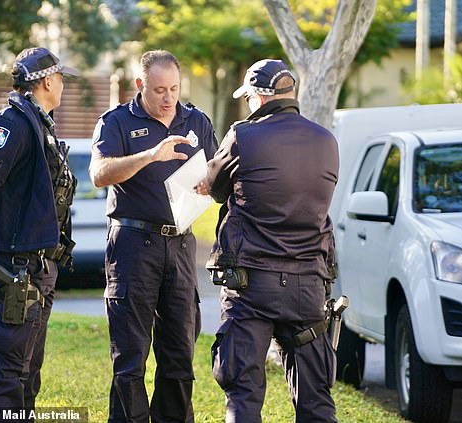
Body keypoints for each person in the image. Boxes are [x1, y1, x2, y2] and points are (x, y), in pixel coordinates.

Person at [200, 59, 339, 423]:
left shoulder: (243, 136)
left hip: (251, 287)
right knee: (316, 397)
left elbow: (215, 188)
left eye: (247, 97)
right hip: (309, 286)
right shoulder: (327, 141)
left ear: (258, 97)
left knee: (243, 393)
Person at [89, 49, 218, 423]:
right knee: (130, 357)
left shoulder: (197, 121)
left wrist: (210, 187)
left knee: (179, 354)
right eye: (159, 90)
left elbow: (215, 174)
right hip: (132, 247)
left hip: (179, 245)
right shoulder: (116, 122)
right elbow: (99, 174)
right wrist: (149, 156)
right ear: (140, 85)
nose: (168, 99)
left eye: (174, 89)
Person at [0, 47, 79, 419]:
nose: (63, 86)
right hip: (20, 271)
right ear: (45, 81)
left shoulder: (39, 123)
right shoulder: (15, 125)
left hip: (41, 268)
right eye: (60, 79)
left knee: (28, 371)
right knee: (10, 371)